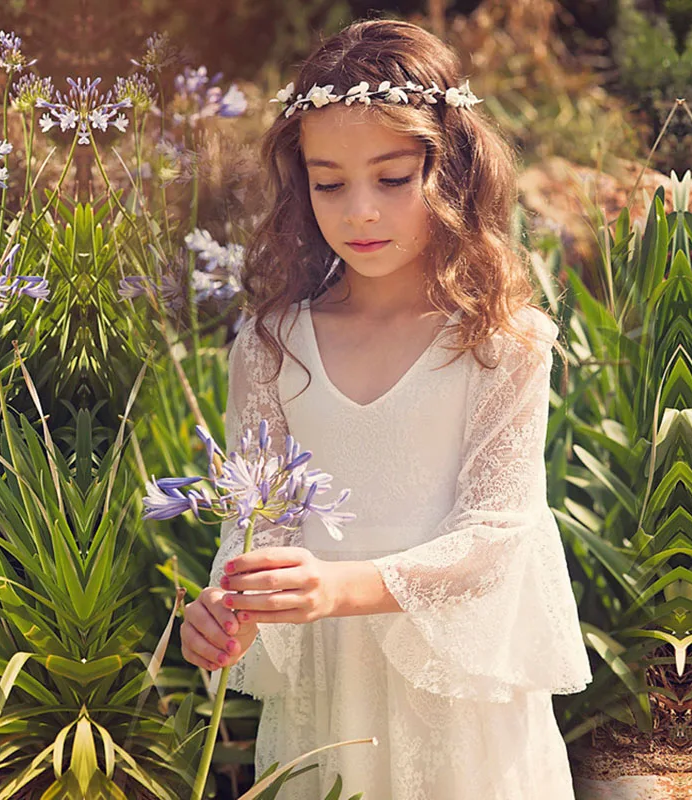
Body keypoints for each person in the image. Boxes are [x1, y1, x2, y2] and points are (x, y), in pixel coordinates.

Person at [180, 18, 593, 799]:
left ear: (455, 171)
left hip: (459, 698)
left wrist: (341, 587)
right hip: (327, 696)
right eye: (328, 182)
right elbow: (259, 519)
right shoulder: (272, 345)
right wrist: (229, 606)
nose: (359, 211)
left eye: (393, 178)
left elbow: (498, 534)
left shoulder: (502, 341)